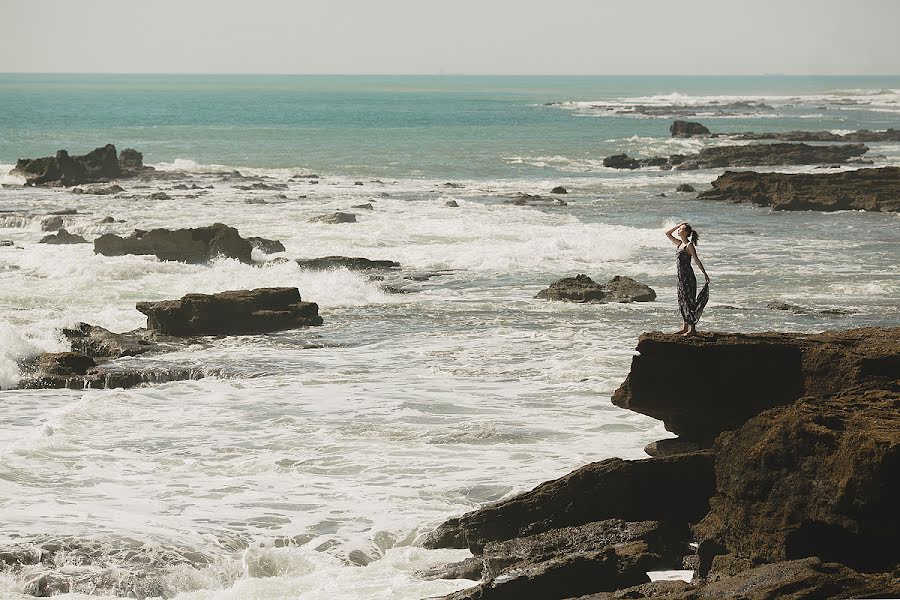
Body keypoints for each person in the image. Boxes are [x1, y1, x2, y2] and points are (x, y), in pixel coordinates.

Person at [665, 222, 710, 336]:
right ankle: (685, 327)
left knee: (689, 301)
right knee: (682, 301)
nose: (678, 230)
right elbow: (667, 233)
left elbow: (696, 259)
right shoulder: (679, 243)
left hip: (688, 277)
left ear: (685, 233)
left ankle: (692, 329)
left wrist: (704, 273)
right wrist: (679, 224)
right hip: (681, 278)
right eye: (679, 229)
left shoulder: (689, 245)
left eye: (680, 229)